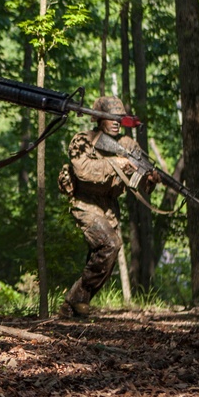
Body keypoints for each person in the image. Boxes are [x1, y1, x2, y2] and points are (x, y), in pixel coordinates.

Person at [58, 96, 156, 318]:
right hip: (85, 202)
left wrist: (151, 178)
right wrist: (117, 164)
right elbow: (83, 170)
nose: (116, 122)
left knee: (106, 256)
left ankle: (74, 305)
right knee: (110, 244)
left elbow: (141, 181)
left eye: (119, 118)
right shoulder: (82, 140)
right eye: (110, 118)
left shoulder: (128, 145)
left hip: (109, 207)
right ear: (98, 119)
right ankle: (76, 299)